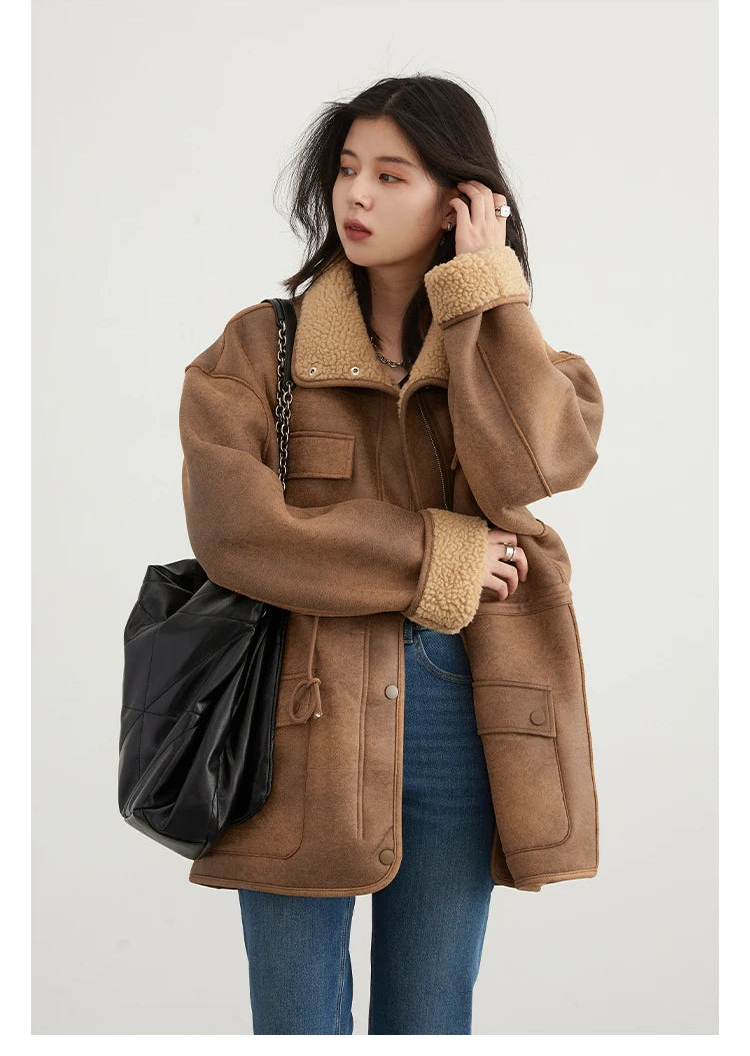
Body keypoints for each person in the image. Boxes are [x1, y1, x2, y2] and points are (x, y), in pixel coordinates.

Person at [178, 73, 604, 1034]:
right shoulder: (255, 352)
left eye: (391, 175)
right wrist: (437, 554)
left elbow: (545, 461)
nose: (356, 195)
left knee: (431, 1017)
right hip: (299, 713)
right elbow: (237, 531)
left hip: (464, 704)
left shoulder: (512, 356)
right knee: (296, 1021)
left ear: (461, 201)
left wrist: (486, 293)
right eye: (346, 170)